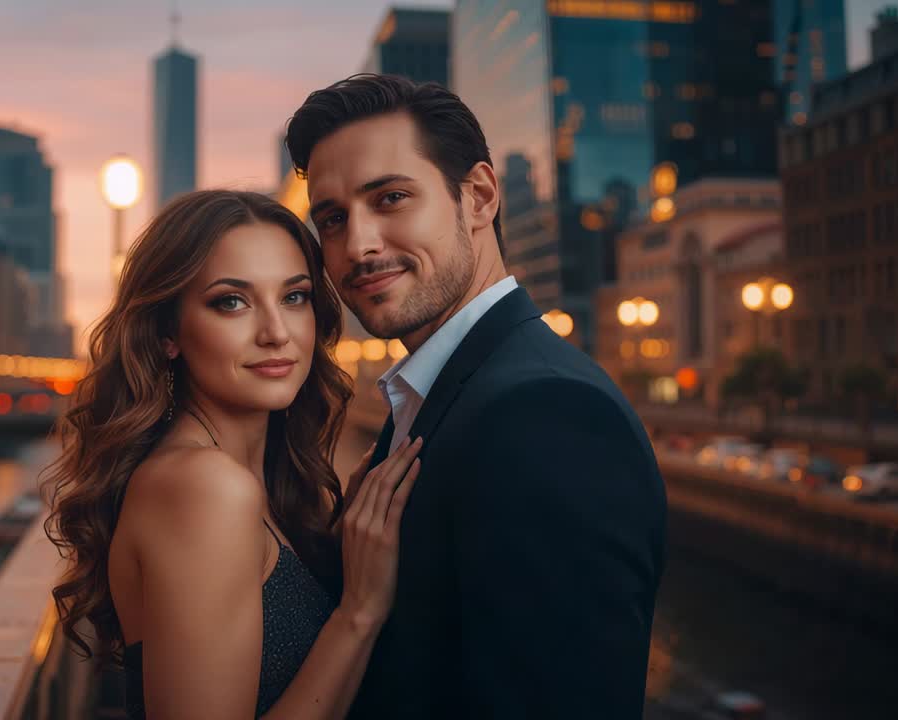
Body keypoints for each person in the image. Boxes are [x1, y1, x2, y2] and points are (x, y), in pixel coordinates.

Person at [285, 74, 668, 718]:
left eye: (392, 198)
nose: (359, 245)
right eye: (333, 219)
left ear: (480, 197)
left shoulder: (545, 414)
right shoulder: (444, 393)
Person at [43, 189, 421, 719]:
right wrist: (358, 613)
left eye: (294, 297)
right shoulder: (204, 487)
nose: (275, 333)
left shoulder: (249, 480)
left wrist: (338, 550)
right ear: (168, 332)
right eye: (231, 301)